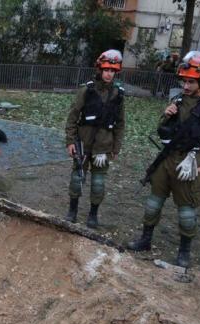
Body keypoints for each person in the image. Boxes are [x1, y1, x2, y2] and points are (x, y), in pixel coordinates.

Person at [127, 51, 200, 268]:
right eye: (183, 81)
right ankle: (145, 239)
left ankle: (184, 251)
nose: (185, 86)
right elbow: (162, 129)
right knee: (153, 202)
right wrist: (167, 114)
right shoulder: (179, 98)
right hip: (167, 159)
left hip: (192, 160)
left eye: (190, 82)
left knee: (186, 210)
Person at [64, 49, 126, 228]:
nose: (109, 74)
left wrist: (116, 148)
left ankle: (93, 214)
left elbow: (121, 123)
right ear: (100, 69)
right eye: (106, 70)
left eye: (113, 71)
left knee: (98, 183)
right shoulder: (87, 89)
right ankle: (72, 211)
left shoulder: (118, 94)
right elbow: (73, 116)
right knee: (77, 178)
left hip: (103, 147)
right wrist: (70, 141)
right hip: (83, 143)